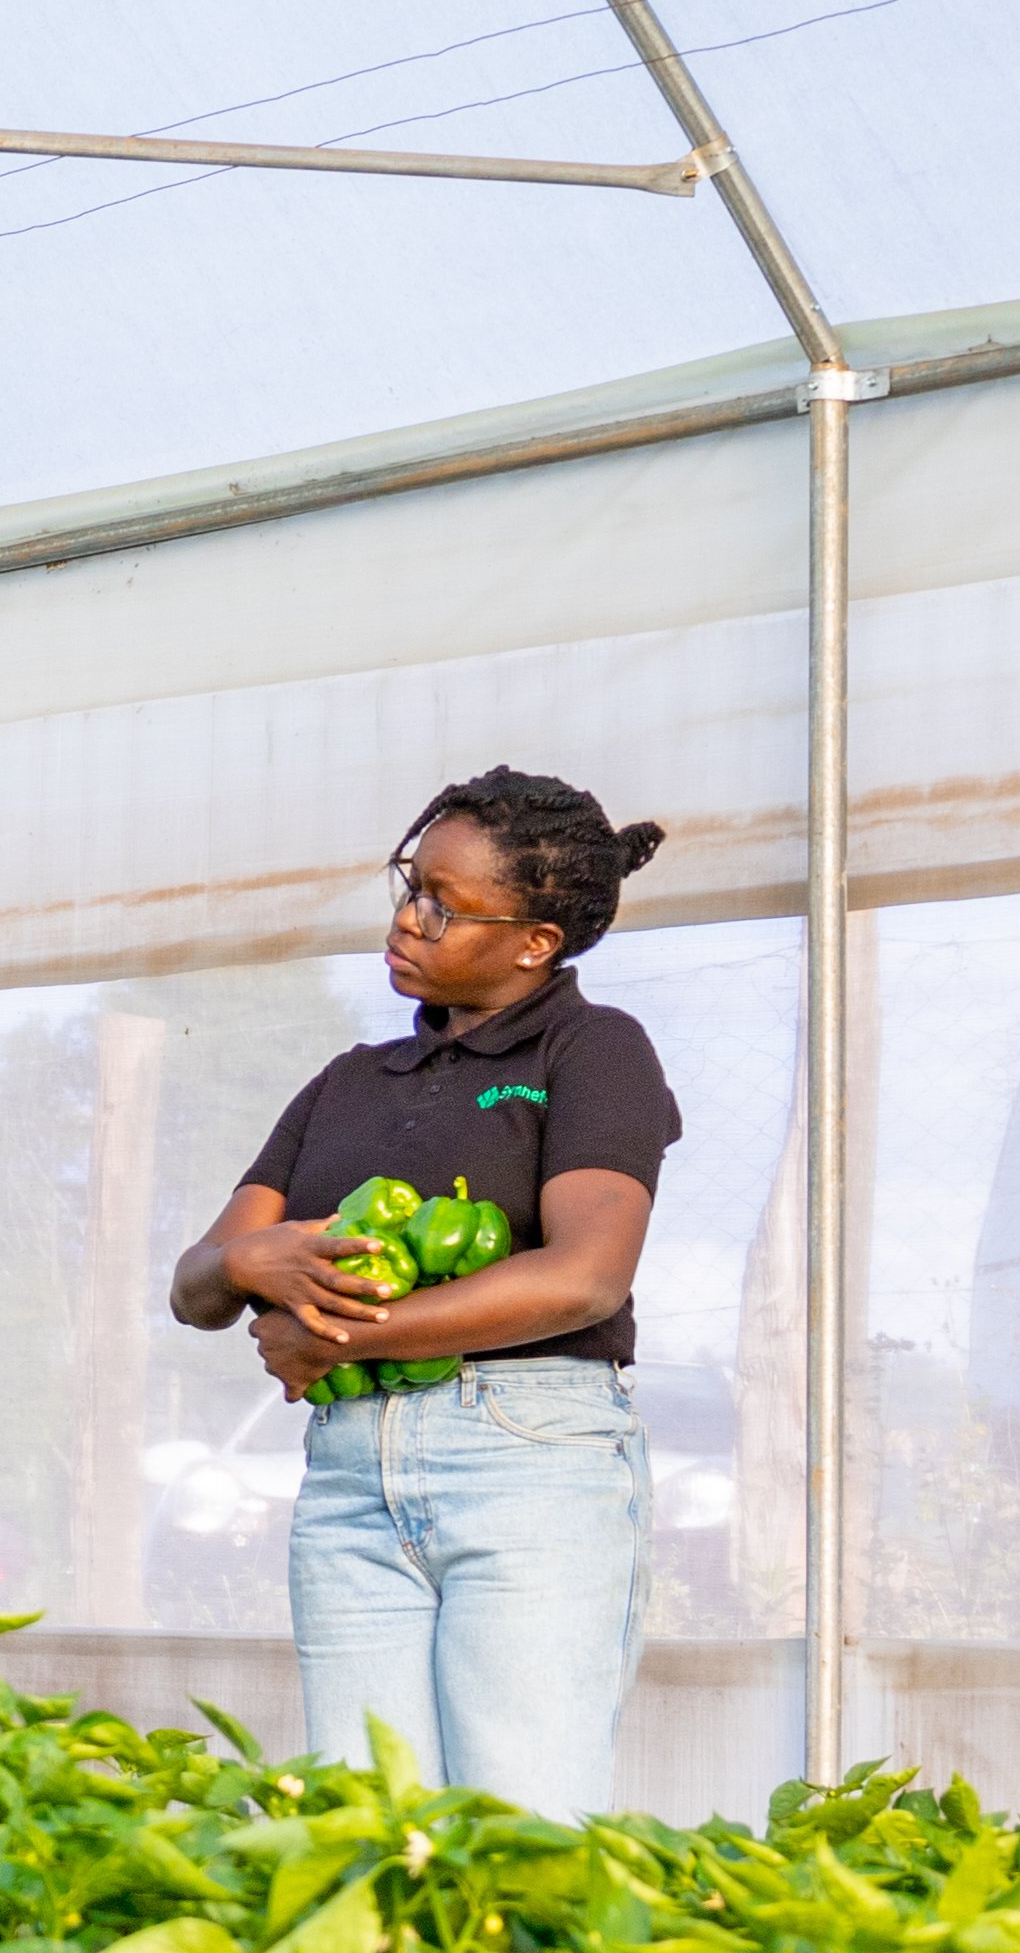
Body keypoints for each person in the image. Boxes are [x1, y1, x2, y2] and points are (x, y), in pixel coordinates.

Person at [171, 766, 678, 1813]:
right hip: (351, 1481)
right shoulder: (351, 1079)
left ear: (536, 941)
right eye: (411, 884)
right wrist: (243, 1264)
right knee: (370, 1822)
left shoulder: (593, 1050)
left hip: (525, 1460)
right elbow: (199, 1282)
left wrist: (349, 1336)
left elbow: (585, 1275)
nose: (409, 918)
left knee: (519, 1819)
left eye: (443, 905)